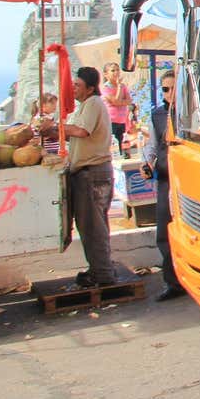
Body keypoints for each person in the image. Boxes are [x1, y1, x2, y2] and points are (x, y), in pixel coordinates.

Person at [63, 66, 116, 287]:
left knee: (93, 227)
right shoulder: (86, 106)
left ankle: (102, 275)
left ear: (90, 88)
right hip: (90, 172)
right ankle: (99, 269)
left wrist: (57, 128)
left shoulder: (94, 103)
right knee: (92, 225)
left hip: (92, 173)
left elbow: (82, 132)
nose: (73, 88)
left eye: (77, 85)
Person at [142, 72, 184, 301]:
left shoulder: (194, 112)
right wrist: (147, 162)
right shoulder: (158, 115)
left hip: (189, 179)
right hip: (166, 179)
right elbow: (152, 145)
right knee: (164, 231)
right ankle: (173, 283)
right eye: (164, 90)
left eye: (172, 88)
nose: (169, 94)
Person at [101, 62, 131, 159]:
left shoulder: (123, 86)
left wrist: (121, 101)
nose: (116, 72)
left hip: (122, 120)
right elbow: (117, 101)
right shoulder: (105, 88)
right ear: (106, 74)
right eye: (113, 70)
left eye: (117, 70)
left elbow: (129, 100)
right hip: (111, 121)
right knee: (113, 146)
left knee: (122, 144)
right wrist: (119, 89)